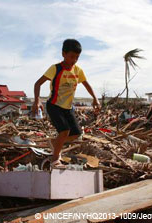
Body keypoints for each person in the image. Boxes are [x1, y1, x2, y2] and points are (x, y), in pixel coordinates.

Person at [32, 39, 101, 168]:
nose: (74, 60)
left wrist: (95, 98)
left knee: (76, 134)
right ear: (63, 54)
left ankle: (54, 142)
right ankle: (54, 160)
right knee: (64, 132)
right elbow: (38, 84)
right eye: (71, 57)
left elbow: (87, 85)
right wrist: (37, 100)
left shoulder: (78, 71)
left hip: (68, 107)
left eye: (77, 57)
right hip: (54, 105)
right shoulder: (55, 68)